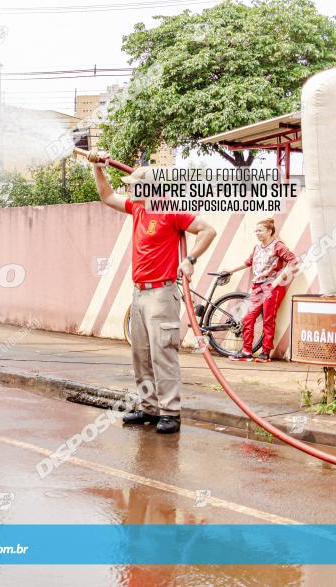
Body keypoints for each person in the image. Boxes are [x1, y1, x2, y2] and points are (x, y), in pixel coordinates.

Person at [92, 158, 217, 434]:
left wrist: (191, 259)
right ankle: (149, 408)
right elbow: (107, 196)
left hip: (162, 293)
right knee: (142, 353)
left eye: (134, 186)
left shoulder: (170, 211)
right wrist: (98, 167)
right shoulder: (137, 209)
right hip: (139, 293)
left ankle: (170, 412)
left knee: (163, 354)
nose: (130, 190)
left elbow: (208, 230)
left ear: (147, 188)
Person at [224, 218, 297, 363]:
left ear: (269, 231)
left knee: (268, 320)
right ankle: (246, 352)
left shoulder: (278, 245)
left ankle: (265, 353)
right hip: (257, 287)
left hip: (272, 287)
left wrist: (279, 279)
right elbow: (248, 263)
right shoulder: (257, 247)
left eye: (260, 230)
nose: (256, 233)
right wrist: (230, 271)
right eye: (256, 230)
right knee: (247, 318)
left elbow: (293, 260)